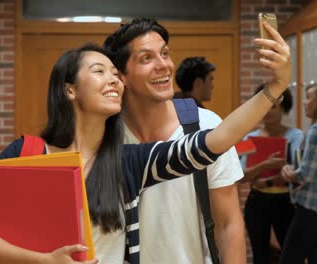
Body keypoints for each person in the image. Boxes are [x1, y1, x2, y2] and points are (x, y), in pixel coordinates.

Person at [0, 38, 291, 264]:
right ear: (69, 89)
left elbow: (214, 141)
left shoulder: (129, 162)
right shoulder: (27, 153)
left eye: (116, 74)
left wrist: (276, 86)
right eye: (99, 72)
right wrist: (44, 261)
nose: (114, 80)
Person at [103, 17, 290, 263]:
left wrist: (277, 85)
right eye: (146, 58)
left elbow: (228, 223)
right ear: (121, 76)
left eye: (165, 54)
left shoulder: (204, 124)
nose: (163, 65)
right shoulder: (106, 136)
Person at [239, 84, 303, 264]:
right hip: (256, 203)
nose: (269, 111)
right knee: (260, 256)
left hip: (286, 203)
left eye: (273, 106)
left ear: (284, 107)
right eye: (265, 106)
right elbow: (241, 176)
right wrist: (265, 165)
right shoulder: (248, 139)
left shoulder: (296, 136)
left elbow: (298, 173)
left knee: (291, 255)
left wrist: (266, 180)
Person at [279, 83, 317, 264]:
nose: (305, 103)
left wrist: (288, 172)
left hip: (310, 211)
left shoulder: (316, 131)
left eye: (309, 98)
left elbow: (305, 174)